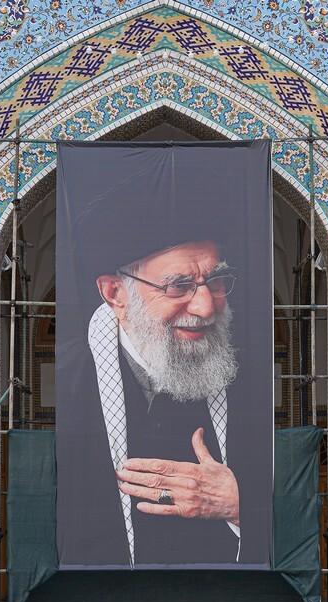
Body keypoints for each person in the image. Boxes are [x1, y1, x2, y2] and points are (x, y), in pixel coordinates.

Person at [56, 141, 273, 569]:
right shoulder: (70, 382)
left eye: (216, 282)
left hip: (226, 597)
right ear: (115, 294)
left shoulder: (251, 372)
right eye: (179, 286)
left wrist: (240, 505)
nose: (206, 307)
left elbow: (305, 507)